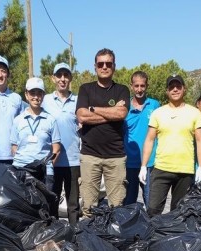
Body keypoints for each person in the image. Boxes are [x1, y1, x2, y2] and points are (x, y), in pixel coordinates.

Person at [139, 74, 201, 216]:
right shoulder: (158, 113)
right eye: (171, 87)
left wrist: (200, 167)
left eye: (178, 86)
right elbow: (149, 139)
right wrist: (143, 166)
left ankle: (173, 238)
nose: (175, 89)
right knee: (152, 209)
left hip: (185, 171)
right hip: (161, 168)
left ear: (184, 89)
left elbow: (200, 140)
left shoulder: (195, 113)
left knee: (178, 213)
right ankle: (152, 238)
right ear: (167, 91)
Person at [75, 48, 130, 217]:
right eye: (101, 64)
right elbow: (82, 116)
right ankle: (87, 242)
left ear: (114, 66)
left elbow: (121, 114)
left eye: (108, 63)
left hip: (116, 157)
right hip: (90, 156)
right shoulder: (85, 89)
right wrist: (111, 113)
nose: (104, 67)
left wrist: (94, 109)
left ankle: (112, 242)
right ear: (95, 66)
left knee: (117, 208)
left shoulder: (122, 90)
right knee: (88, 209)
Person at [42, 62, 81, 224]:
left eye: (66, 75)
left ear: (71, 78)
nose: (63, 79)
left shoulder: (78, 101)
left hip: (73, 160)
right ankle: (55, 233)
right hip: (53, 161)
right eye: (59, 75)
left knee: (73, 204)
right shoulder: (45, 100)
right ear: (53, 78)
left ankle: (74, 235)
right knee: (52, 201)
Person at [11, 77, 61, 190]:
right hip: (20, 170)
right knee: (21, 207)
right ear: (26, 95)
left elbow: (56, 149)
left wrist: (47, 166)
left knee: (44, 207)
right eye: (32, 93)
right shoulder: (18, 120)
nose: (36, 97)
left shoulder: (51, 120)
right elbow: (14, 148)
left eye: (39, 93)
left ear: (43, 96)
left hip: (44, 173)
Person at [124, 71, 160, 206]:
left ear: (147, 86)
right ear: (131, 86)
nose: (139, 89)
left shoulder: (155, 105)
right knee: (128, 204)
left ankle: (151, 227)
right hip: (130, 163)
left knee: (151, 204)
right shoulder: (124, 107)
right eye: (136, 86)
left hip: (151, 163)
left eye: (142, 86)